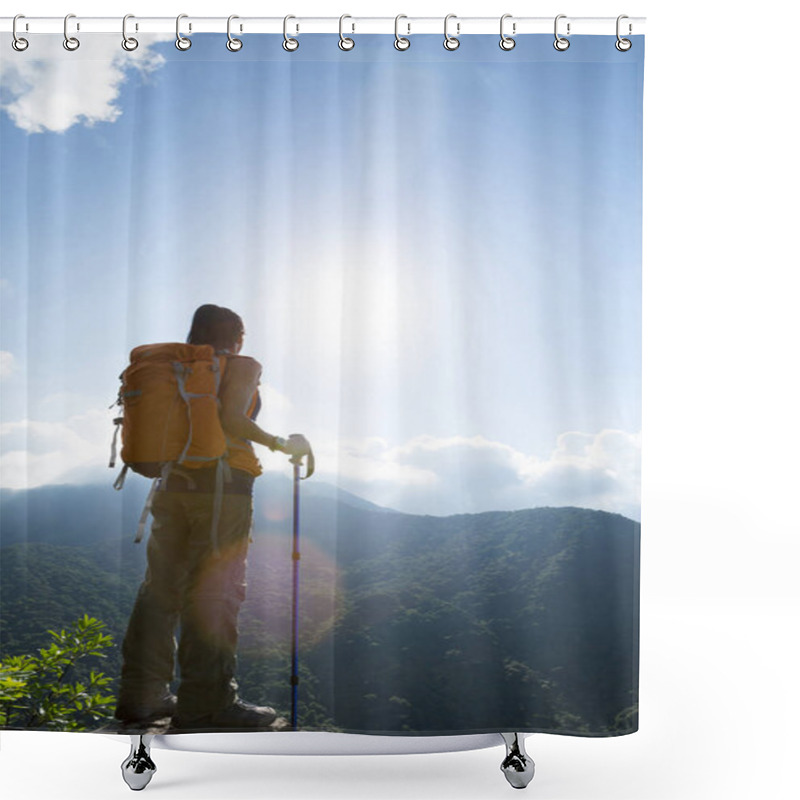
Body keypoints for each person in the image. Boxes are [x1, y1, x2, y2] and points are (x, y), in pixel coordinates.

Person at [114, 304, 310, 732]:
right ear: (237, 335)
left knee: (159, 590)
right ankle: (208, 703)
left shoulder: (178, 368)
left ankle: (142, 695)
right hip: (223, 488)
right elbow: (231, 419)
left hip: (170, 485)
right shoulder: (239, 365)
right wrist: (282, 443)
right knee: (215, 592)